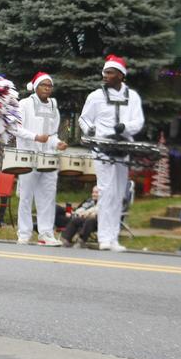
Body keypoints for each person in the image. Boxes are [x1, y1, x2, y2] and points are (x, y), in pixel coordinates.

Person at [77, 55, 144, 252]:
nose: (105, 75)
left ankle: (113, 238)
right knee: (106, 191)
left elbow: (138, 122)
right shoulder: (95, 96)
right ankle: (104, 238)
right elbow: (84, 119)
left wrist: (124, 127)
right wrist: (89, 129)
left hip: (124, 147)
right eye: (105, 72)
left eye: (110, 72)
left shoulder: (133, 97)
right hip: (103, 148)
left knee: (119, 193)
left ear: (121, 75)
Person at [15, 72, 68, 246]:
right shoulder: (24, 104)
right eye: (43, 85)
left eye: (49, 85)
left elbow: (52, 135)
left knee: (48, 196)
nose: (47, 88)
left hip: (48, 158)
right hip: (27, 157)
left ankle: (46, 233)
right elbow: (16, 128)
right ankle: (24, 233)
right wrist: (35, 137)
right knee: (26, 196)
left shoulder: (54, 106)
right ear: (35, 87)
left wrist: (58, 143)